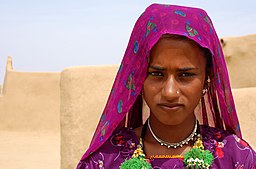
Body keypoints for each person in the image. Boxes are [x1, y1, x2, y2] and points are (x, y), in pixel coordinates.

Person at [77, 3, 256, 169]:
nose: (170, 92)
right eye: (156, 74)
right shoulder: (104, 161)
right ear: (138, 78)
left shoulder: (236, 157)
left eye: (185, 75)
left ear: (206, 80)